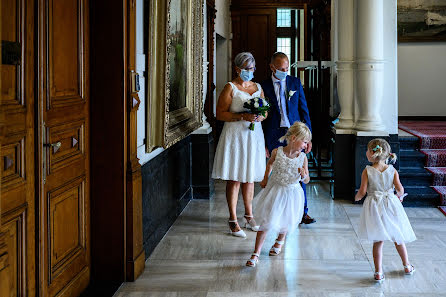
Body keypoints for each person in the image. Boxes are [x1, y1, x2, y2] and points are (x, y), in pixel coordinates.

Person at [212, 52, 267, 238]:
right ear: (237, 69)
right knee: (235, 177)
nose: (249, 72)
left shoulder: (258, 87)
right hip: (235, 136)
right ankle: (233, 220)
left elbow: (265, 111)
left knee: (249, 177)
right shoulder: (230, 87)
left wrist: (260, 116)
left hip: (253, 136)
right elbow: (219, 113)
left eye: (251, 68)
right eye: (245, 68)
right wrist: (242, 116)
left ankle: (249, 215)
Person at [261, 52, 315, 224]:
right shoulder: (263, 86)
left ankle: (303, 211)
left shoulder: (294, 82)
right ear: (272, 68)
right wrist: (263, 142)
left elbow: (304, 109)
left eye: (287, 68)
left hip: (295, 133)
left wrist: (308, 137)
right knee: (276, 172)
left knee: (299, 169)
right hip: (273, 134)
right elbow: (261, 116)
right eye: (281, 69)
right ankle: (274, 211)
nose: (285, 71)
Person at [246, 122, 311, 267]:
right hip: (275, 190)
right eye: (305, 141)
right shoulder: (277, 152)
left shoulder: (302, 158)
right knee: (266, 221)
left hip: (292, 193)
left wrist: (304, 174)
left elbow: (306, 180)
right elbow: (269, 164)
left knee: (287, 219)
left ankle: (279, 241)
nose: (306, 145)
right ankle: (256, 253)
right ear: (294, 138)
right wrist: (265, 178)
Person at [355, 138, 416, 282]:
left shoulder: (367, 171)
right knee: (398, 237)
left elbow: (362, 191)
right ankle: (407, 265)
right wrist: (398, 196)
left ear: (371, 153)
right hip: (391, 205)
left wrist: (357, 197)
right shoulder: (392, 170)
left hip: (375, 207)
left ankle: (378, 272)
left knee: (378, 240)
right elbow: (400, 189)